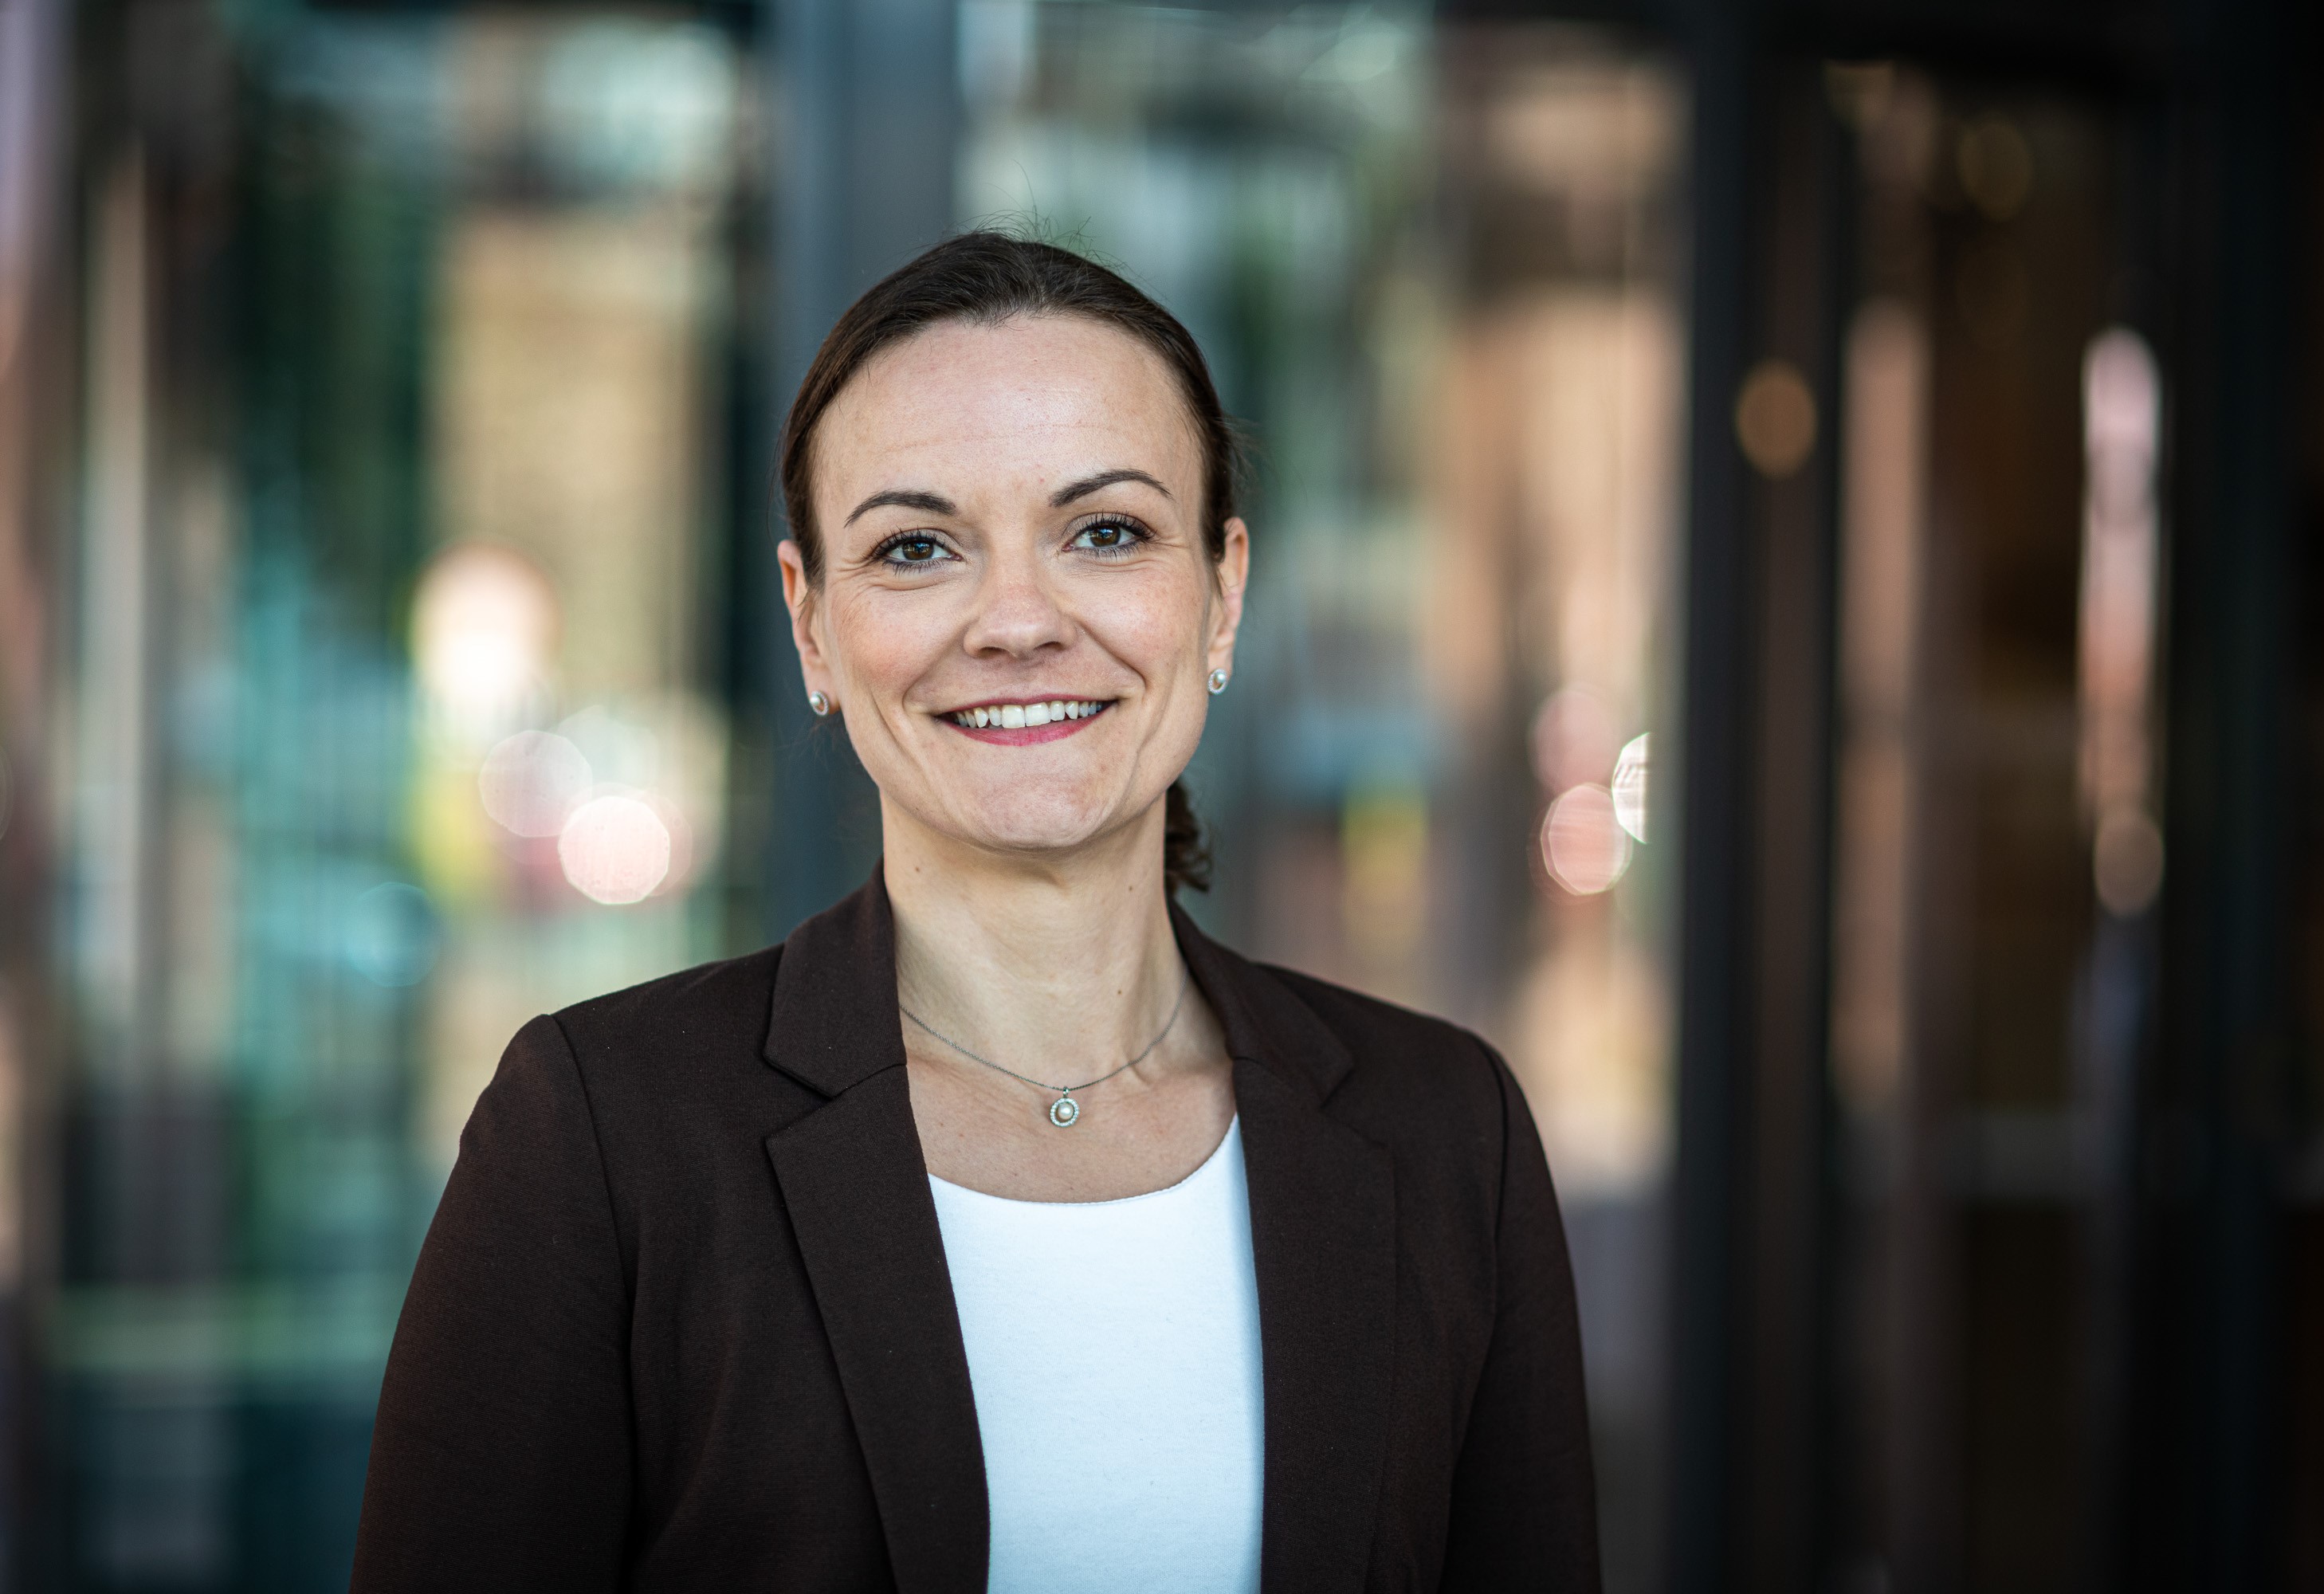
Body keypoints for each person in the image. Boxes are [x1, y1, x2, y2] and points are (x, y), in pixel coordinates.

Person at [351, 232, 1601, 1593]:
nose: (1016, 620)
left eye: (1107, 532)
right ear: (813, 624)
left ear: (1223, 593)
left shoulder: (1444, 1131)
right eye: (918, 546)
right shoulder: (605, 1134)